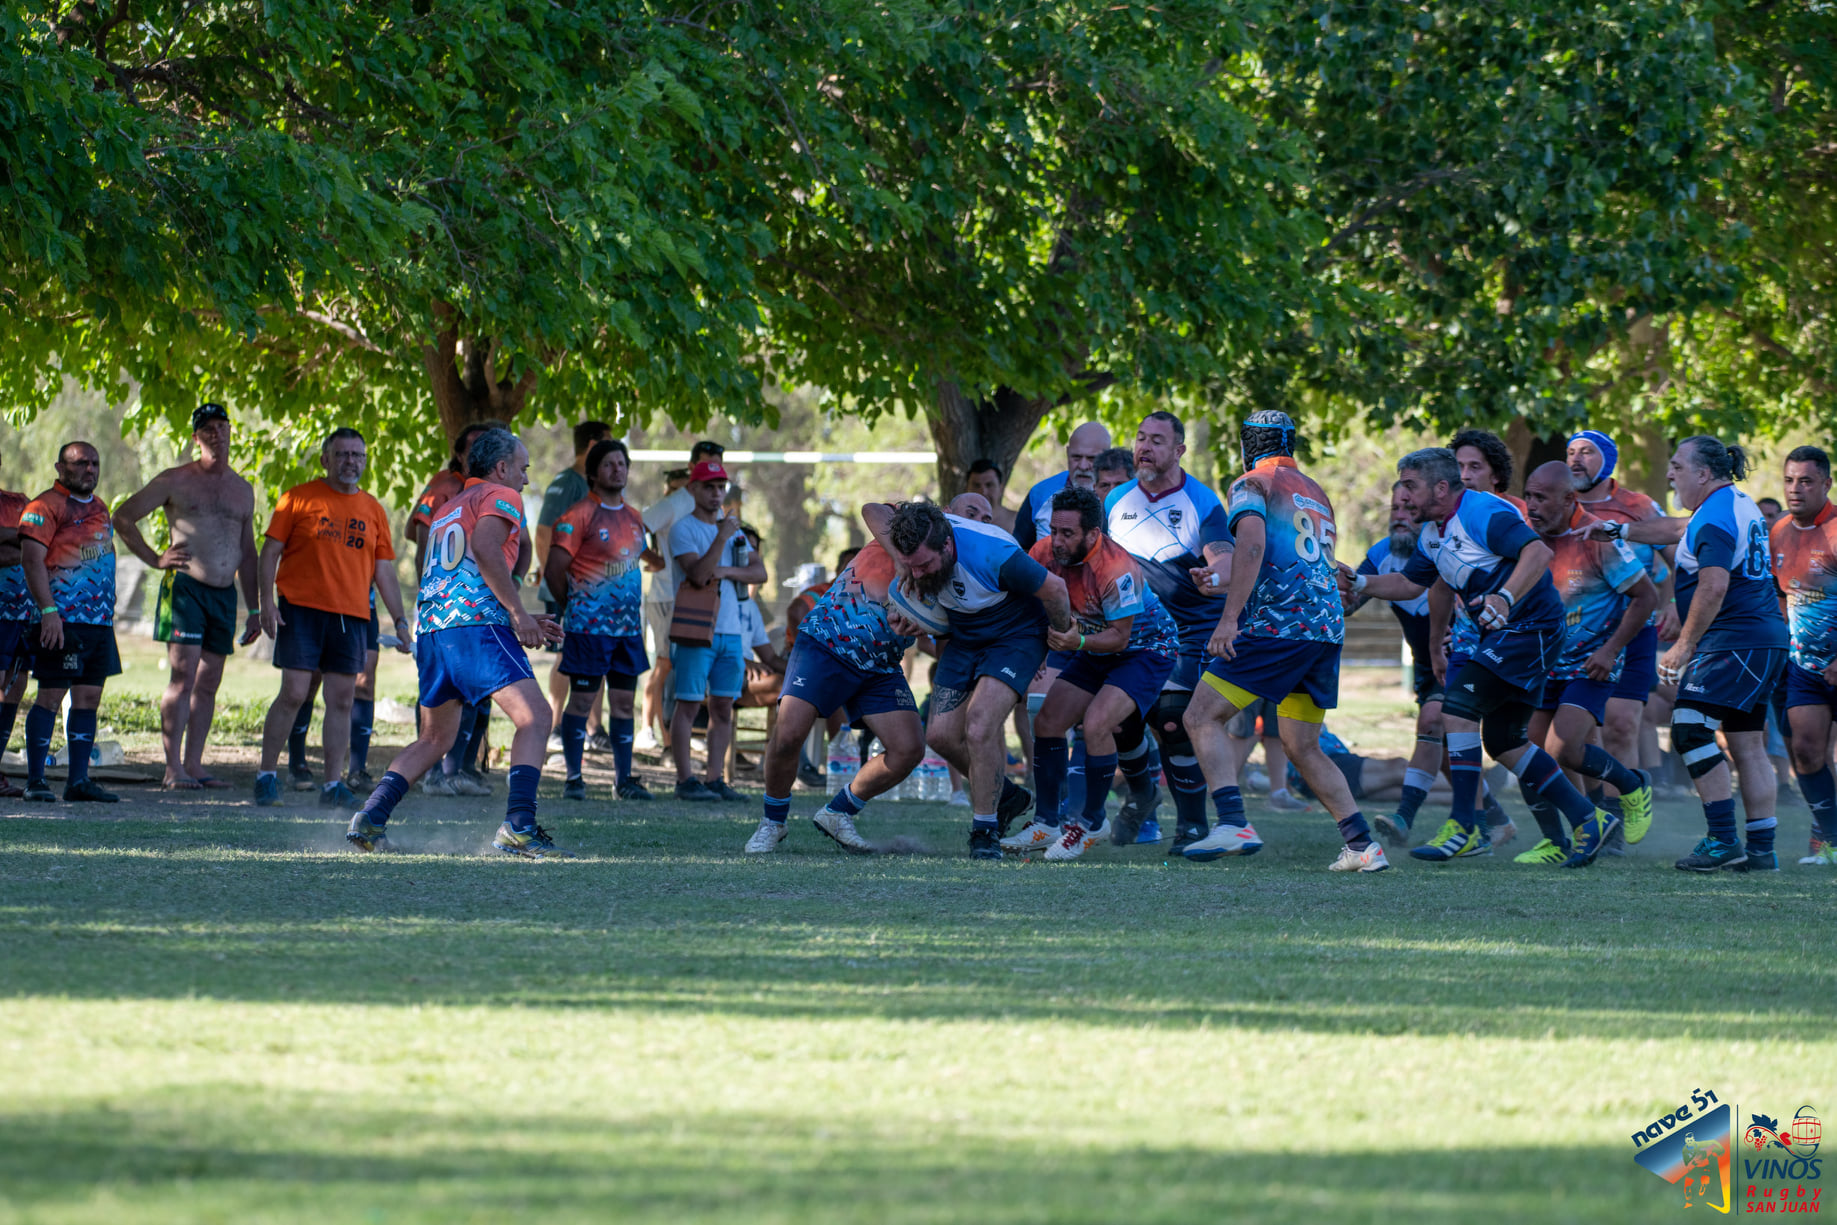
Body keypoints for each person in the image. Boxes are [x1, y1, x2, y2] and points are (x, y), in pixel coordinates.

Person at [1348, 447, 1610, 865]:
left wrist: (1505, 597)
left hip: (1530, 630)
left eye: (1410, 487)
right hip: (1511, 636)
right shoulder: (1434, 532)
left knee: (1456, 710)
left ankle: (1467, 825)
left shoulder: (1482, 512)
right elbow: (1409, 584)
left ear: (1439, 487)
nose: (1404, 497)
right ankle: (1587, 819)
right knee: (1504, 741)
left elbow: (1538, 552)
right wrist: (1359, 581)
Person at [345, 428, 572, 857]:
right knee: (537, 717)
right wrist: (518, 613)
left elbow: (459, 570)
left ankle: (370, 818)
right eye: (522, 468)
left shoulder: (449, 507)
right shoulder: (500, 495)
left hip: (436, 631)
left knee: (435, 740)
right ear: (501, 467)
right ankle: (520, 826)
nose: (525, 478)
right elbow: (487, 550)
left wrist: (511, 612)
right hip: (474, 629)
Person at [1179, 412, 1386, 871]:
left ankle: (1232, 821)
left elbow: (1251, 545)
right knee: (1302, 745)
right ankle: (1361, 845)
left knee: (1199, 715)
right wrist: (1221, 579)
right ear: (1290, 443)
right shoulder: (1315, 492)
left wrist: (1229, 619)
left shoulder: (1251, 483)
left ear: (1246, 445)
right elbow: (1289, 558)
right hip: (1324, 629)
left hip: (1278, 626)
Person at [1597, 437, 1789, 871]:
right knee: (1747, 743)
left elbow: (1714, 584)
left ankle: (1722, 841)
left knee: (1688, 729)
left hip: (1735, 641)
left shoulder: (1716, 518)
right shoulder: (1733, 504)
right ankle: (1762, 850)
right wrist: (1618, 529)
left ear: (1703, 473)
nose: (1669, 474)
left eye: (1677, 466)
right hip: (1763, 640)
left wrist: (1683, 644)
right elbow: (1677, 528)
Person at [865, 500, 1073, 858]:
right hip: (964, 634)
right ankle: (1005, 796)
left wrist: (1058, 640)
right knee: (941, 736)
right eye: (910, 566)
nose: (917, 575)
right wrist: (907, 588)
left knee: (979, 725)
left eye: (924, 565)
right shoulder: (919, 531)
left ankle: (984, 831)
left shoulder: (994, 553)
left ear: (947, 546)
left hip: (1016, 634)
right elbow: (871, 509)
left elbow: (1055, 590)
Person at [1002, 486, 1178, 860]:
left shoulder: (1117, 569)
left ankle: (1091, 823)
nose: (1057, 541)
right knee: (1047, 721)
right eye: (1054, 530)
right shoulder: (1045, 551)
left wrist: (1074, 644)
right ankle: (1047, 822)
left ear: (1093, 534)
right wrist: (1035, 651)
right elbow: (1029, 602)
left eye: (1068, 533)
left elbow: (1119, 638)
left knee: (1097, 722)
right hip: (1091, 641)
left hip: (1145, 649)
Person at [254, 428, 410, 808]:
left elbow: (384, 570)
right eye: (341, 454)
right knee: (293, 692)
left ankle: (331, 786)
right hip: (301, 610)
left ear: (365, 461)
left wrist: (401, 621)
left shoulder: (373, 509)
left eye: (357, 455)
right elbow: (269, 552)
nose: (349, 462)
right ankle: (266, 775)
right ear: (325, 459)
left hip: (352, 616)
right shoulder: (297, 498)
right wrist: (266, 603)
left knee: (341, 700)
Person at [1103, 410, 1235, 850]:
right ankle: (1142, 794)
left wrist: (1214, 575)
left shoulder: (1202, 501)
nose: (1145, 446)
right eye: (1141, 437)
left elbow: (1224, 558)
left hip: (1189, 630)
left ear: (1179, 450)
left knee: (1173, 720)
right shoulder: (1114, 501)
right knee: (1121, 720)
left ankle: (1193, 824)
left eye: (1157, 440)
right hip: (1131, 630)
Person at [111, 403, 260, 790]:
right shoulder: (174, 480)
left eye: (222, 426)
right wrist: (155, 558)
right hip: (186, 590)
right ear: (195, 437)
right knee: (183, 677)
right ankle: (172, 766)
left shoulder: (243, 490)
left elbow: (249, 552)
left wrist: (257, 607)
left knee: (209, 682)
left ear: (230, 431)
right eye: (207, 428)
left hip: (224, 595)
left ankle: (195, 765)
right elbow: (122, 517)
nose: (216, 433)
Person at [745, 538, 927, 854]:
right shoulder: (902, 529)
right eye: (968, 512)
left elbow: (934, 640)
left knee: (909, 748)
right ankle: (773, 822)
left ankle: (838, 812)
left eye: (983, 515)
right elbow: (871, 509)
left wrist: (923, 626)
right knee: (788, 736)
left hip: (880, 663)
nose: (975, 520)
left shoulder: (953, 573)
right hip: (825, 647)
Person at [1518, 461, 1659, 865]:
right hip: (1543, 664)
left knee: (1562, 748)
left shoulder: (1598, 538)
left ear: (1568, 499)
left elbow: (1646, 597)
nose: (1532, 505)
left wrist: (1610, 650)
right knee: (1523, 748)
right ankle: (1557, 841)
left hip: (1592, 664)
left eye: (1541, 498)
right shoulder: (1529, 540)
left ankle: (1633, 785)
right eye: (1528, 496)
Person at [1567, 429, 1674, 832]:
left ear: (1607, 461)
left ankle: (1620, 808)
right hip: (1574, 635)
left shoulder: (1638, 505)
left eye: (1587, 453)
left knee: (1621, 724)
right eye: (1571, 452)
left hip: (1635, 629)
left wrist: (1676, 605)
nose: (1576, 459)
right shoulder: (1560, 506)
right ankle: (1598, 812)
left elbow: (1678, 557)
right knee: (1581, 732)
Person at [1426, 427, 1529, 846]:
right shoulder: (1443, 521)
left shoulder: (1507, 514)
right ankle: (1483, 823)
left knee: (1522, 743)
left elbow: (1539, 564)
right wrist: (1437, 640)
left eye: (1475, 467)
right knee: (1449, 725)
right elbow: (1436, 582)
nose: (1465, 475)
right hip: (1468, 642)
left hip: (1516, 640)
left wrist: (1504, 600)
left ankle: (1585, 818)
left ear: (1496, 475)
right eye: (1459, 467)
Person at [546, 437, 652, 802]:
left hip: (628, 631)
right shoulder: (578, 515)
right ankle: (573, 779)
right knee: (581, 702)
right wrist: (576, 606)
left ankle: (624, 781)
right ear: (593, 473)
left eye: (621, 463)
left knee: (623, 704)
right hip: (588, 631)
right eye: (608, 464)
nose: (617, 469)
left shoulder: (635, 516)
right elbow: (554, 570)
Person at [17, 442, 122, 803]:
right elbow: (31, 561)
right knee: (49, 696)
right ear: (60, 467)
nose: (90, 469)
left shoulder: (100, 507)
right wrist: (48, 612)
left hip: (98, 623)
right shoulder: (43, 506)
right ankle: (35, 781)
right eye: (81, 463)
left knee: (89, 698)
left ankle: (78, 781)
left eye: (95, 463)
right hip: (60, 621)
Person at [404, 421, 501, 796]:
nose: (481, 451)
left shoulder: (495, 492)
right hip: (444, 606)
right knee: (442, 688)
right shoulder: (445, 486)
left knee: (477, 688)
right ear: (460, 454)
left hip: (478, 606)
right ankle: (434, 771)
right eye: (475, 446)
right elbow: (418, 531)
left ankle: (457, 768)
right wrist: (433, 584)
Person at [667, 458, 766, 801]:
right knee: (689, 705)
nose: (715, 493)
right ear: (692, 489)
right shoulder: (685, 529)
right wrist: (722, 538)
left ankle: (714, 779)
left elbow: (759, 573)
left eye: (720, 487)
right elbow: (697, 573)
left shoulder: (735, 530)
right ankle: (684, 780)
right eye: (708, 487)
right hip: (696, 630)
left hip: (732, 632)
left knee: (723, 707)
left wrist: (725, 572)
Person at [1353, 487, 1447, 843]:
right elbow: (1349, 602)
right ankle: (1493, 821)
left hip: (1458, 658)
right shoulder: (1381, 554)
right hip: (1426, 667)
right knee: (1445, 751)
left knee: (1432, 723)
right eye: (1394, 507)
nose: (1399, 515)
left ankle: (1404, 819)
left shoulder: (1444, 548)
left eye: (1409, 507)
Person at [1772, 446, 1837, 867]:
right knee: (1807, 752)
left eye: (1806, 481)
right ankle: (1831, 842)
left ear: (1826, 484)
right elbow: (1781, 596)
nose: (1796, 489)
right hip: (1804, 666)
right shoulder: (1778, 531)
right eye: (1790, 480)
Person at [642, 445, 724, 749]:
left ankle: (681, 738)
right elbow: (638, 525)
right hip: (667, 597)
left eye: (719, 470)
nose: (713, 476)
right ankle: (663, 738)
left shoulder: (719, 508)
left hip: (700, 601)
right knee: (667, 665)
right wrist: (655, 558)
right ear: (692, 470)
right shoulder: (676, 502)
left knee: (686, 668)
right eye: (706, 468)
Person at [536, 421, 613, 740]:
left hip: (593, 591)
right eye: (608, 445)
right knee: (565, 655)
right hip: (566, 589)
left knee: (596, 657)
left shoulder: (595, 486)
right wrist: (558, 582)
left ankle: (594, 729)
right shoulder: (565, 482)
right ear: (593, 445)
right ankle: (555, 726)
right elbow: (542, 534)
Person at [1012, 423, 1113, 551]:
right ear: (1067, 452)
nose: (1083, 466)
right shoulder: (1040, 493)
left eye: (1091, 459)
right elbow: (1020, 550)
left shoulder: (1121, 496)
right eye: (1076, 457)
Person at [0, 458, 34, 797]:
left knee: (15, 685)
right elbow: (25, 543)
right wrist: (18, 539)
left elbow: (36, 544)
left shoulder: (19, 501)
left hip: (22, 611)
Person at [965, 459, 1017, 532]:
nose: (983, 492)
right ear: (967, 488)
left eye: (989, 485)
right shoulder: (956, 520)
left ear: (1001, 488)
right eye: (976, 485)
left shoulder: (1016, 521)